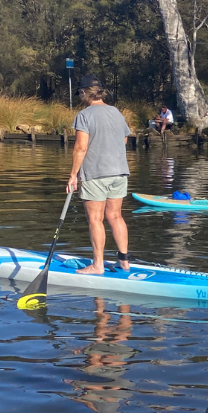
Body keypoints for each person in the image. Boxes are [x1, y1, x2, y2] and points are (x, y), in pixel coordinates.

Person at [66, 74, 132, 275]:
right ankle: (124, 262)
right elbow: (124, 140)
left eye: (80, 92)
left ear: (85, 92)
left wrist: (72, 176)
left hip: (95, 173)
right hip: (119, 172)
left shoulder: (84, 115)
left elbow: (80, 148)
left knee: (95, 219)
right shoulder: (116, 112)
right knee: (115, 216)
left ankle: (97, 265)